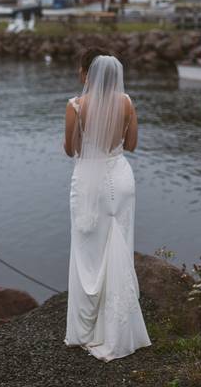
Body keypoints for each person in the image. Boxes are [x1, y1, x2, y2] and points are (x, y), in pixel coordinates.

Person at [62, 47, 151, 361]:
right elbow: (132, 144)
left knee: (89, 252)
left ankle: (88, 330)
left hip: (90, 181)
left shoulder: (75, 106)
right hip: (122, 178)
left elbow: (70, 150)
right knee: (119, 245)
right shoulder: (126, 103)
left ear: (87, 73)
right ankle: (119, 324)